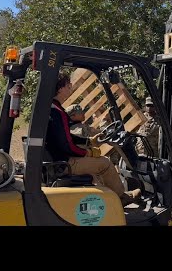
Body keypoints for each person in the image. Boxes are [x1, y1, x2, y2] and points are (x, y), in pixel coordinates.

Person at [46, 73, 140, 207]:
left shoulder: (52, 108)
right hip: (63, 163)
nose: (70, 88)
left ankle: (108, 199)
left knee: (96, 168)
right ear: (60, 89)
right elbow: (67, 145)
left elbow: (66, 137)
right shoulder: (57, 112)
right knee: (105, 163)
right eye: (68, 86)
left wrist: (89, 142)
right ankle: (122, 197)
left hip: (56, 160)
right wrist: (87, 153)